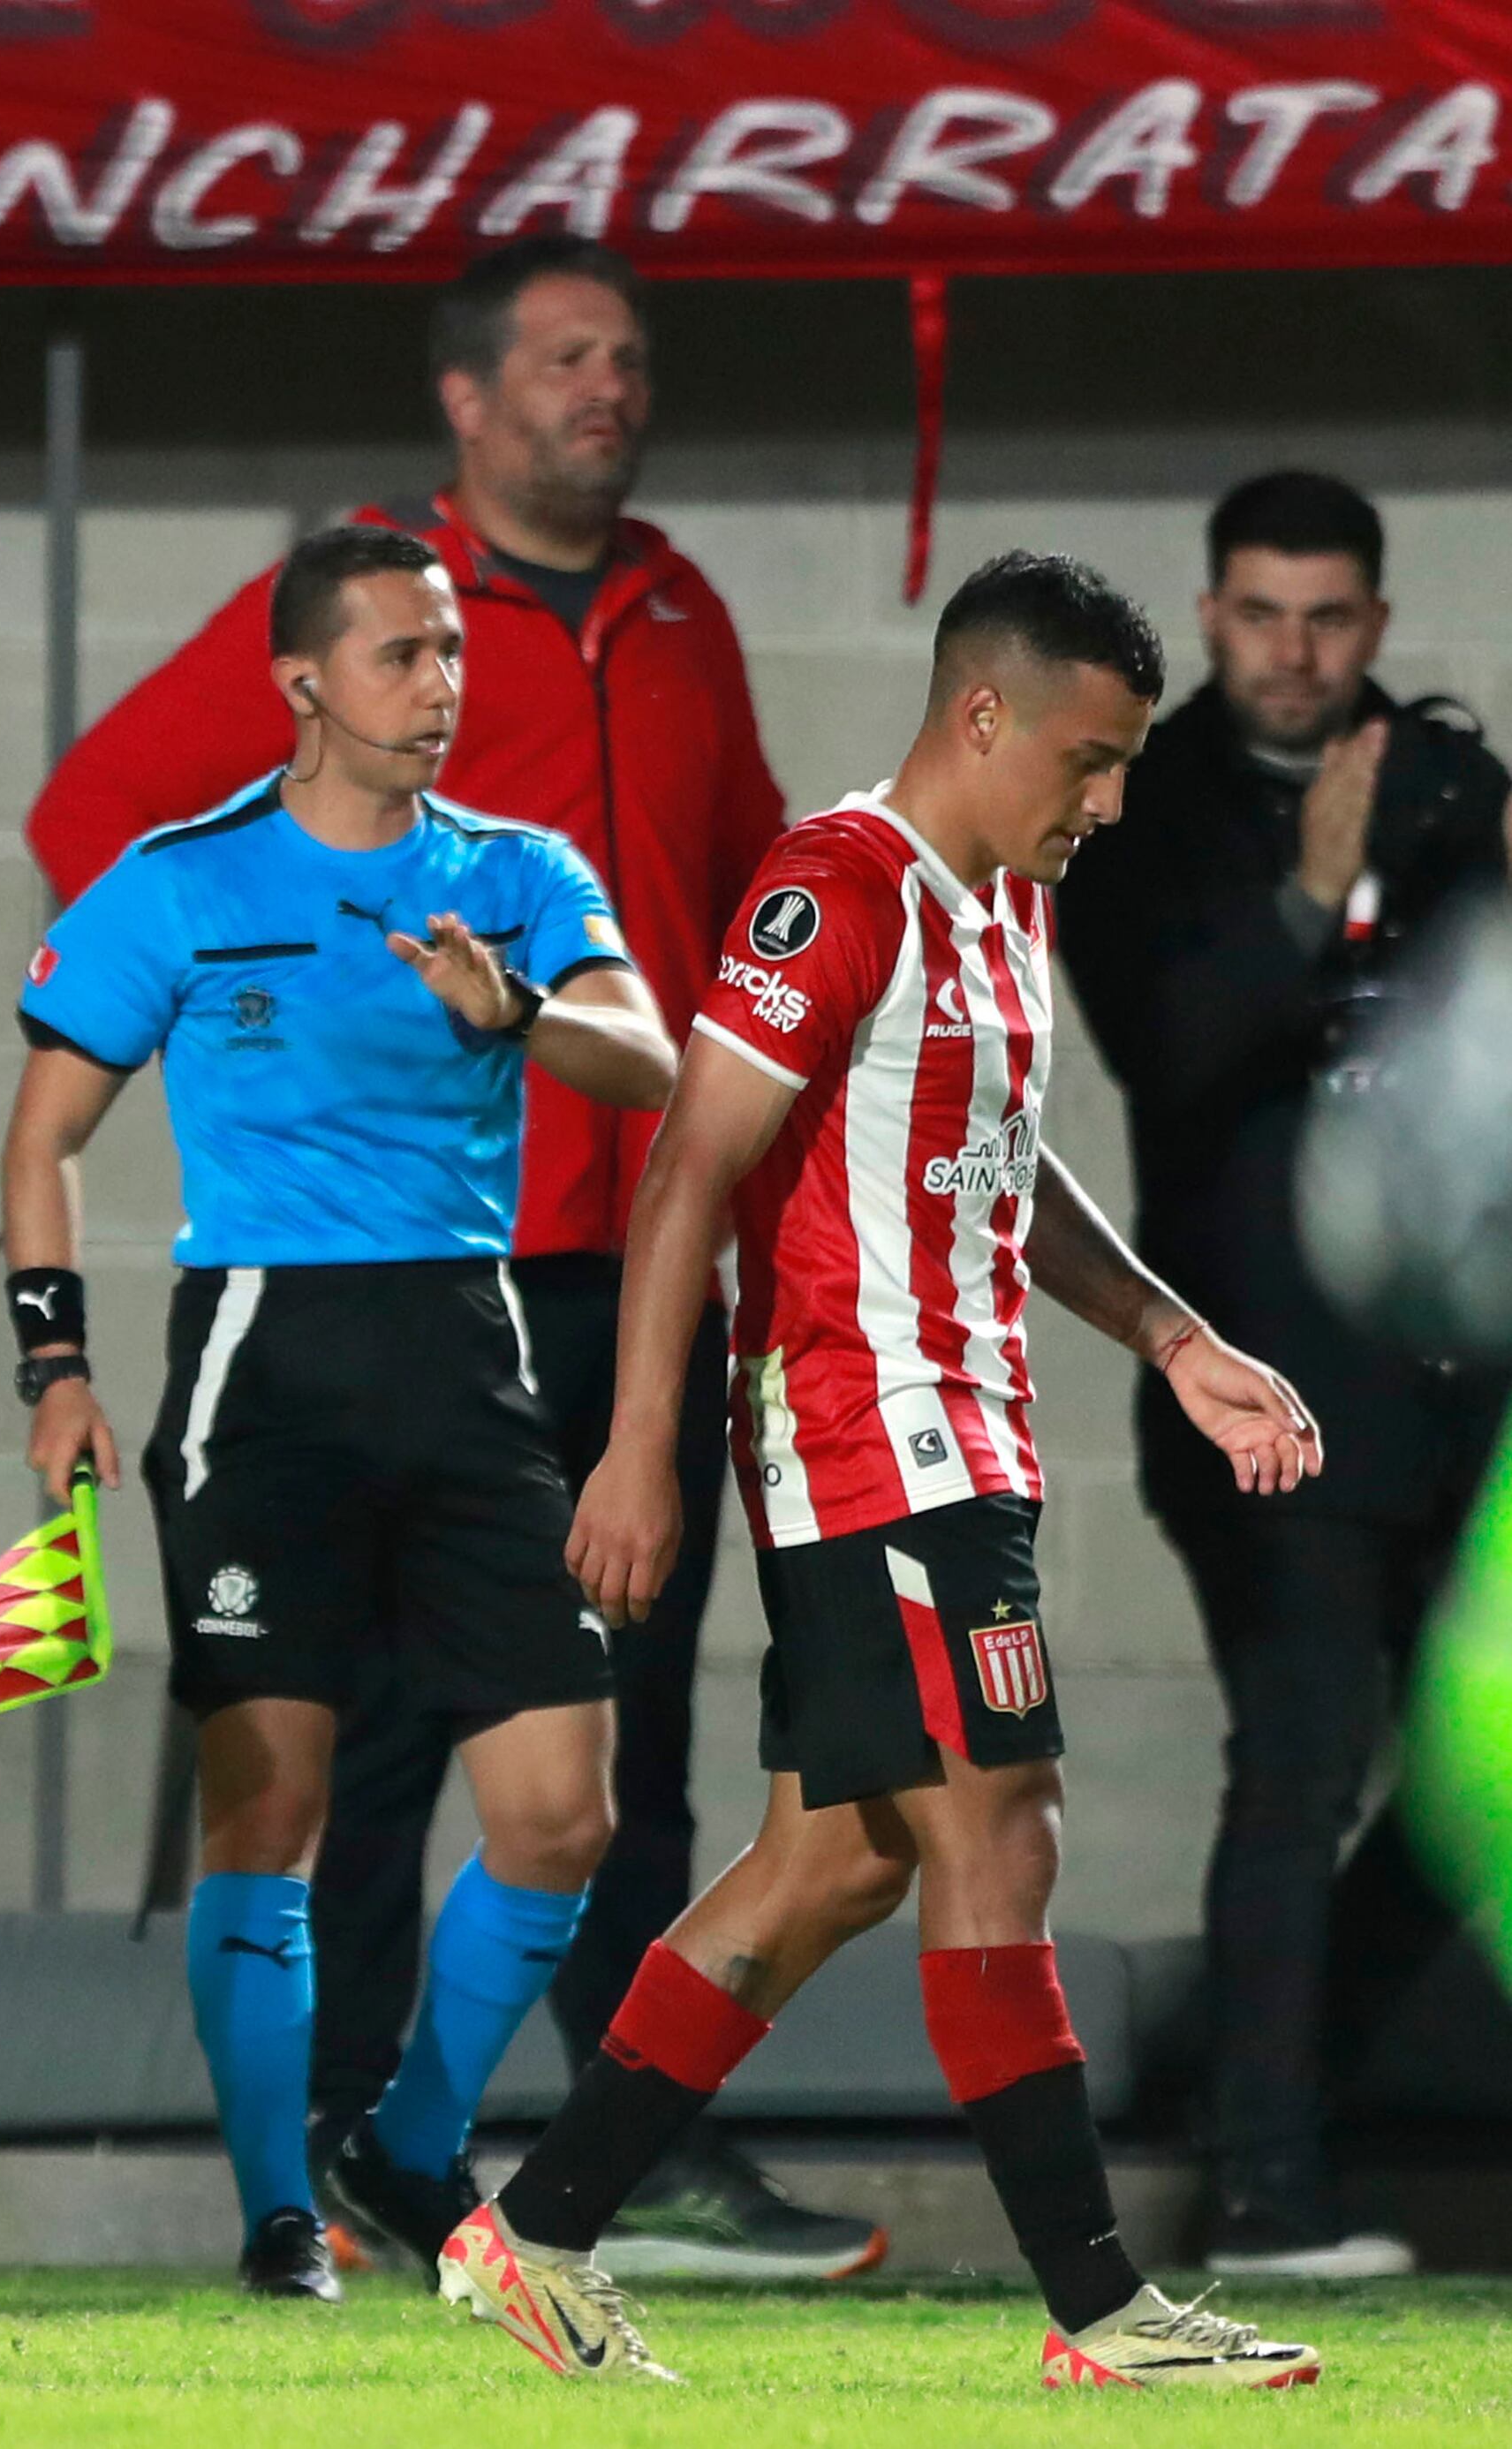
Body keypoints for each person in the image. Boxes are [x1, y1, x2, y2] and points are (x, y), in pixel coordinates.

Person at [23, 234, 873, 2281]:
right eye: (566, 357)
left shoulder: (676, 610)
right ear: (468, 400)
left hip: (627, 1278)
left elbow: (745, 912)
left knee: (619, 1751)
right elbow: (100, 823)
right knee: (361, 1756)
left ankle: (628, 2154)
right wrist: (294, 1045)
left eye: (629, 357)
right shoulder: (365, 601)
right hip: (387, 1290)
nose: (609, 387)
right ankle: (333, 2154)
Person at [439, 553, 1327, 2389]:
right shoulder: (830, 885)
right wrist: (637, 1445)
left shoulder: (1003, 902)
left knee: (830, 1863)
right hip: (869, 1433)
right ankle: (1102, 2308)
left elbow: (1005, 1163)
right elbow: (689, 1166)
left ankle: (534, 2230)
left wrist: (1175, 1338)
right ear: (981, 714)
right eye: (1088, 760)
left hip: (961, 1436)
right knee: (1004, 1827)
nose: (1106, 804)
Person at [5, 523, 679, 2302]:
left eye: (453, 651)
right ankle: (276, 2210)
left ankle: (406, 2135)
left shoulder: (517, 874)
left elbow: (651, 1057)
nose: (441, 685)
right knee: (270, 1808)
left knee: (563, 1812)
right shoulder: (179, 880)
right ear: (304, 679)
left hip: (467, 1358)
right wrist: (55, 1370)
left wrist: (515, 1011)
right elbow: (42, 1140)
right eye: (403, 653)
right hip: (261, 1370)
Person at [1052, 471, 1510, 2279]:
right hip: (1257, 1385)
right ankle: (1261, 2187)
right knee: (1301, 1755)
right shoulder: (1139, 807)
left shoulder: (1449, 784)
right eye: (1261, 614)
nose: (1296, 651)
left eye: (1328, 618)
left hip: (1455, 1382)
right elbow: (1171, 1053)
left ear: (1374, 623)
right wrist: (1315, 883)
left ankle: (1258, 2070)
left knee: (1467, 1795)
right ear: (1211, 615)